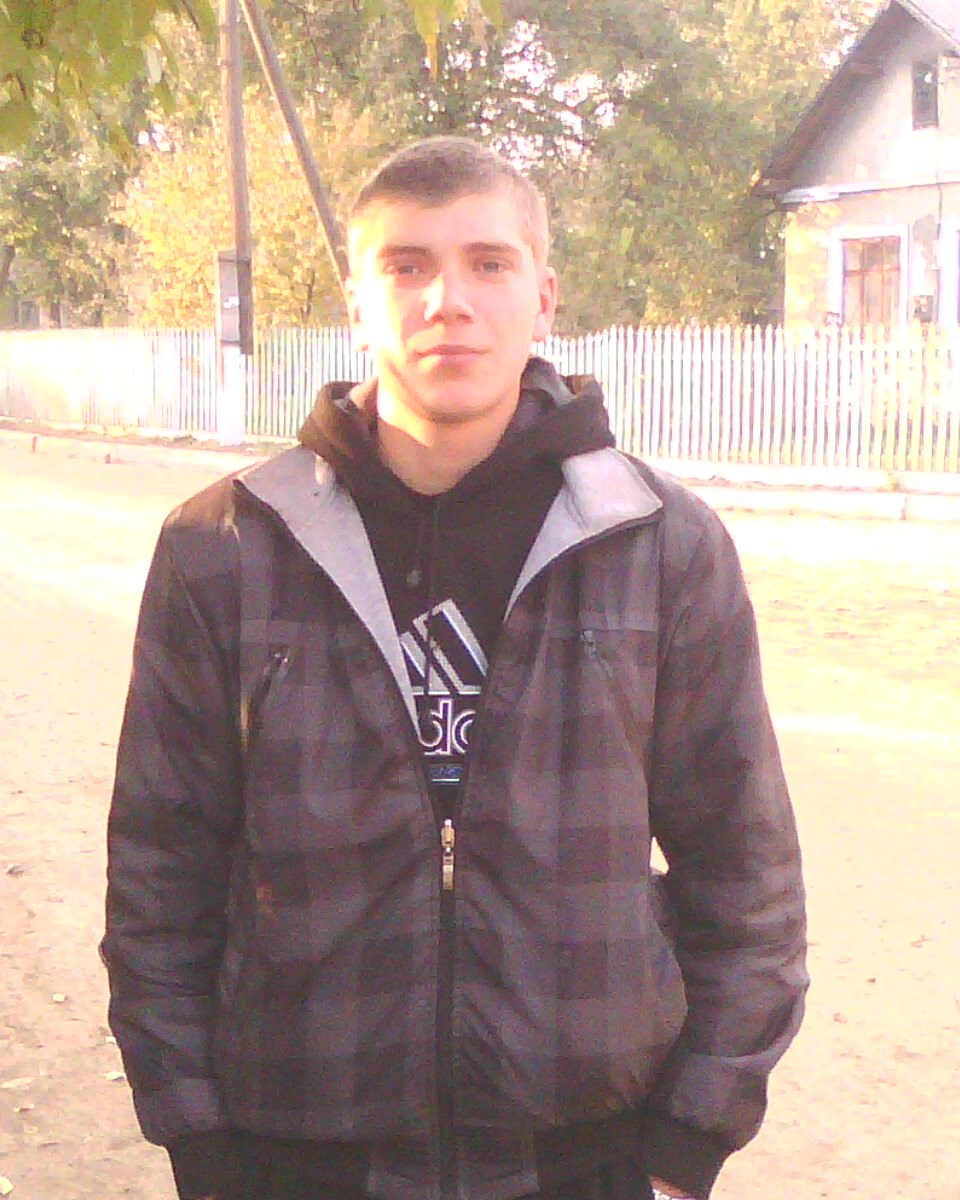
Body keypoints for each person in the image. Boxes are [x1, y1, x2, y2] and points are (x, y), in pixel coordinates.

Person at [101, 136, 807, 1200]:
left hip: (585, 1154)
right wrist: (195, 1138)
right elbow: (160, 869)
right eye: (407, 266)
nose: (448, 301)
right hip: (298, 1151)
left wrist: (690, 1139)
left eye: (488, 263)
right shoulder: (225, 547)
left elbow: (744, 865)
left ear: (544, 298)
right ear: (358, 300)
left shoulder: (660, 544)